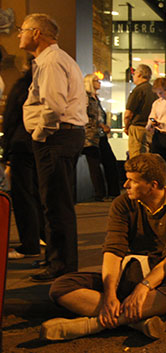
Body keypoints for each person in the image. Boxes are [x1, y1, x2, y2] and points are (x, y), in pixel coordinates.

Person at [42, 154, 166, 341]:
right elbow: (114, 250)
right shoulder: (122, 204)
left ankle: (91, 325)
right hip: (131, 271)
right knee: (60, 287)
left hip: (163, 276)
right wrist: (110, 294)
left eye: (132, 181)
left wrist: (144, 287)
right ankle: (138, 320)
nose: (125, 185)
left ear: (153, 185)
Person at [19, 13, 88, 282]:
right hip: (61, 137)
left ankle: (62, 266)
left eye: (22, 29)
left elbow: (54, 107)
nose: (19, 34)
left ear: (37, 33)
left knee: (56, 204)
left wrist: (38, 134)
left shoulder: (51, 62)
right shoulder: (53, 60)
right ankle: (56, 259)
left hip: (55, 138)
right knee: (54, 202)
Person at [1, 55, 45, 259]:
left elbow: (11, 117)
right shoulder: (45, 83)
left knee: (23, 195)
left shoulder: (22, 85)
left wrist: (6, 147)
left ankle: (29, 243)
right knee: (38, 192)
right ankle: (42, 236)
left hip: (21, 143)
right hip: (40, 143)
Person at [82, 74, 120, 201]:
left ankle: (113, 192)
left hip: (101, 135)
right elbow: (86, 117)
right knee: (95, 166)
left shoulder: (96, 99)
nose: (99, 83)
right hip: (91, 136)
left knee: (110, 162)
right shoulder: (85, 98)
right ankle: (100, 193)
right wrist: (100, 124)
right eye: (96, 80)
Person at [124, 64, 158, 158]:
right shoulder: (154, 91)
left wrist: (126, 127)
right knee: (147, 157)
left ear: (139, 74)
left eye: (134, 74)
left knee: (137, 158)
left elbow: (128, 114)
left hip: (137, 128)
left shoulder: (138, 90)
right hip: (150, 129)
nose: (133, 77)